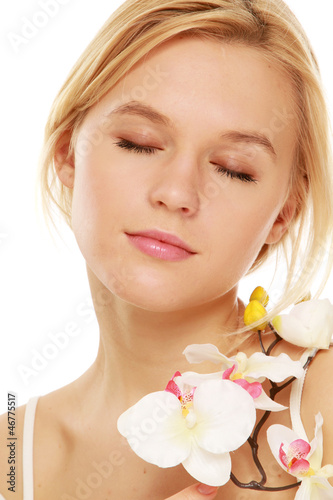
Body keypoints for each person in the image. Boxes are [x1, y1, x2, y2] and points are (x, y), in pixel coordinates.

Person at [1, 0, 333, 498]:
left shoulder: (323, 399)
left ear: (284, 213)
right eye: (139, 142)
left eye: (234, 169)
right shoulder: (12, 450)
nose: (177, 194)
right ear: (68, 155)